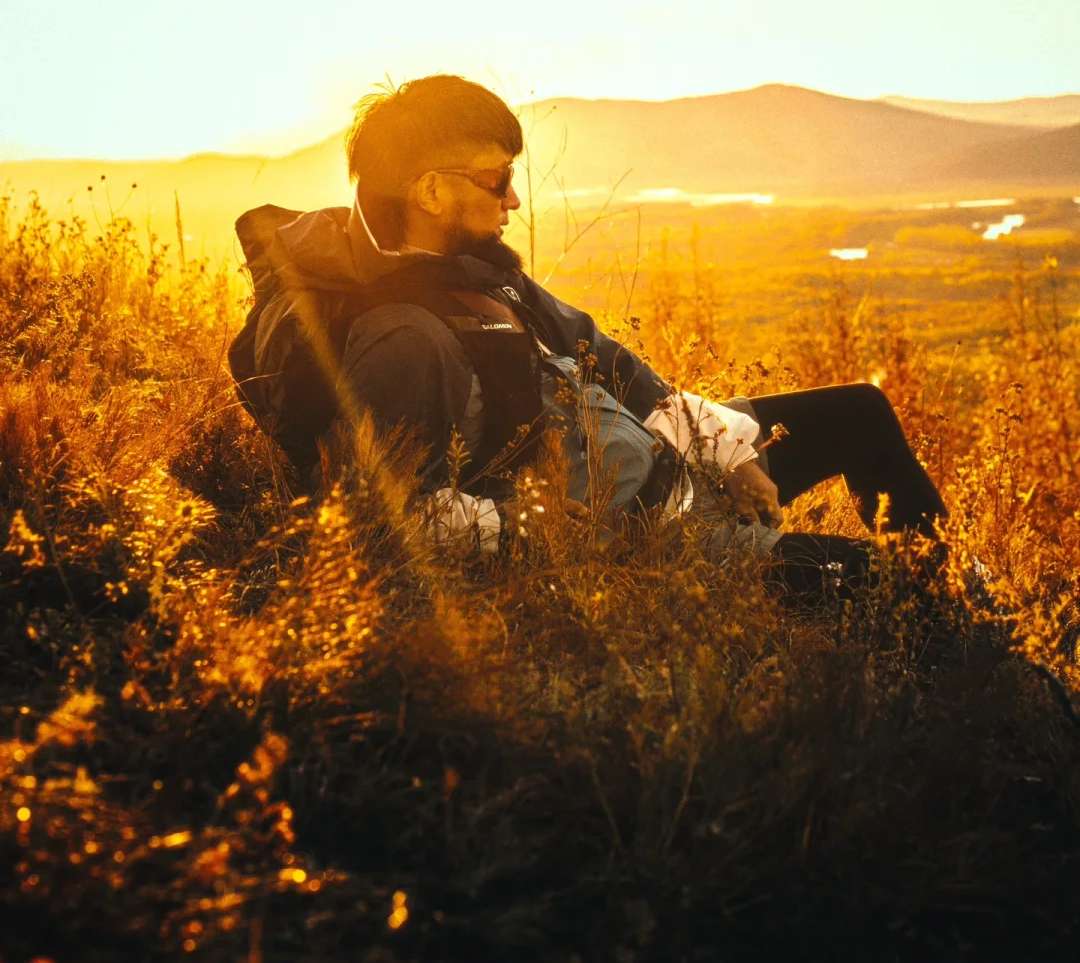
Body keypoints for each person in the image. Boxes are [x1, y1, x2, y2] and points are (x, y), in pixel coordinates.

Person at [228, 76, 947, 599]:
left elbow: (608, 358)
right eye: (497, 178)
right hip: (651, 540)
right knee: (897, 585)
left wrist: (727, 455)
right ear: (429, 192)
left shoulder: (475, 272)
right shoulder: (402, 339)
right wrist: (529, 529)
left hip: (673, 471)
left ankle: (928, 599)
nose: (512, 198)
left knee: (861, 410)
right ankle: (949, 647)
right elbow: (389, 519)